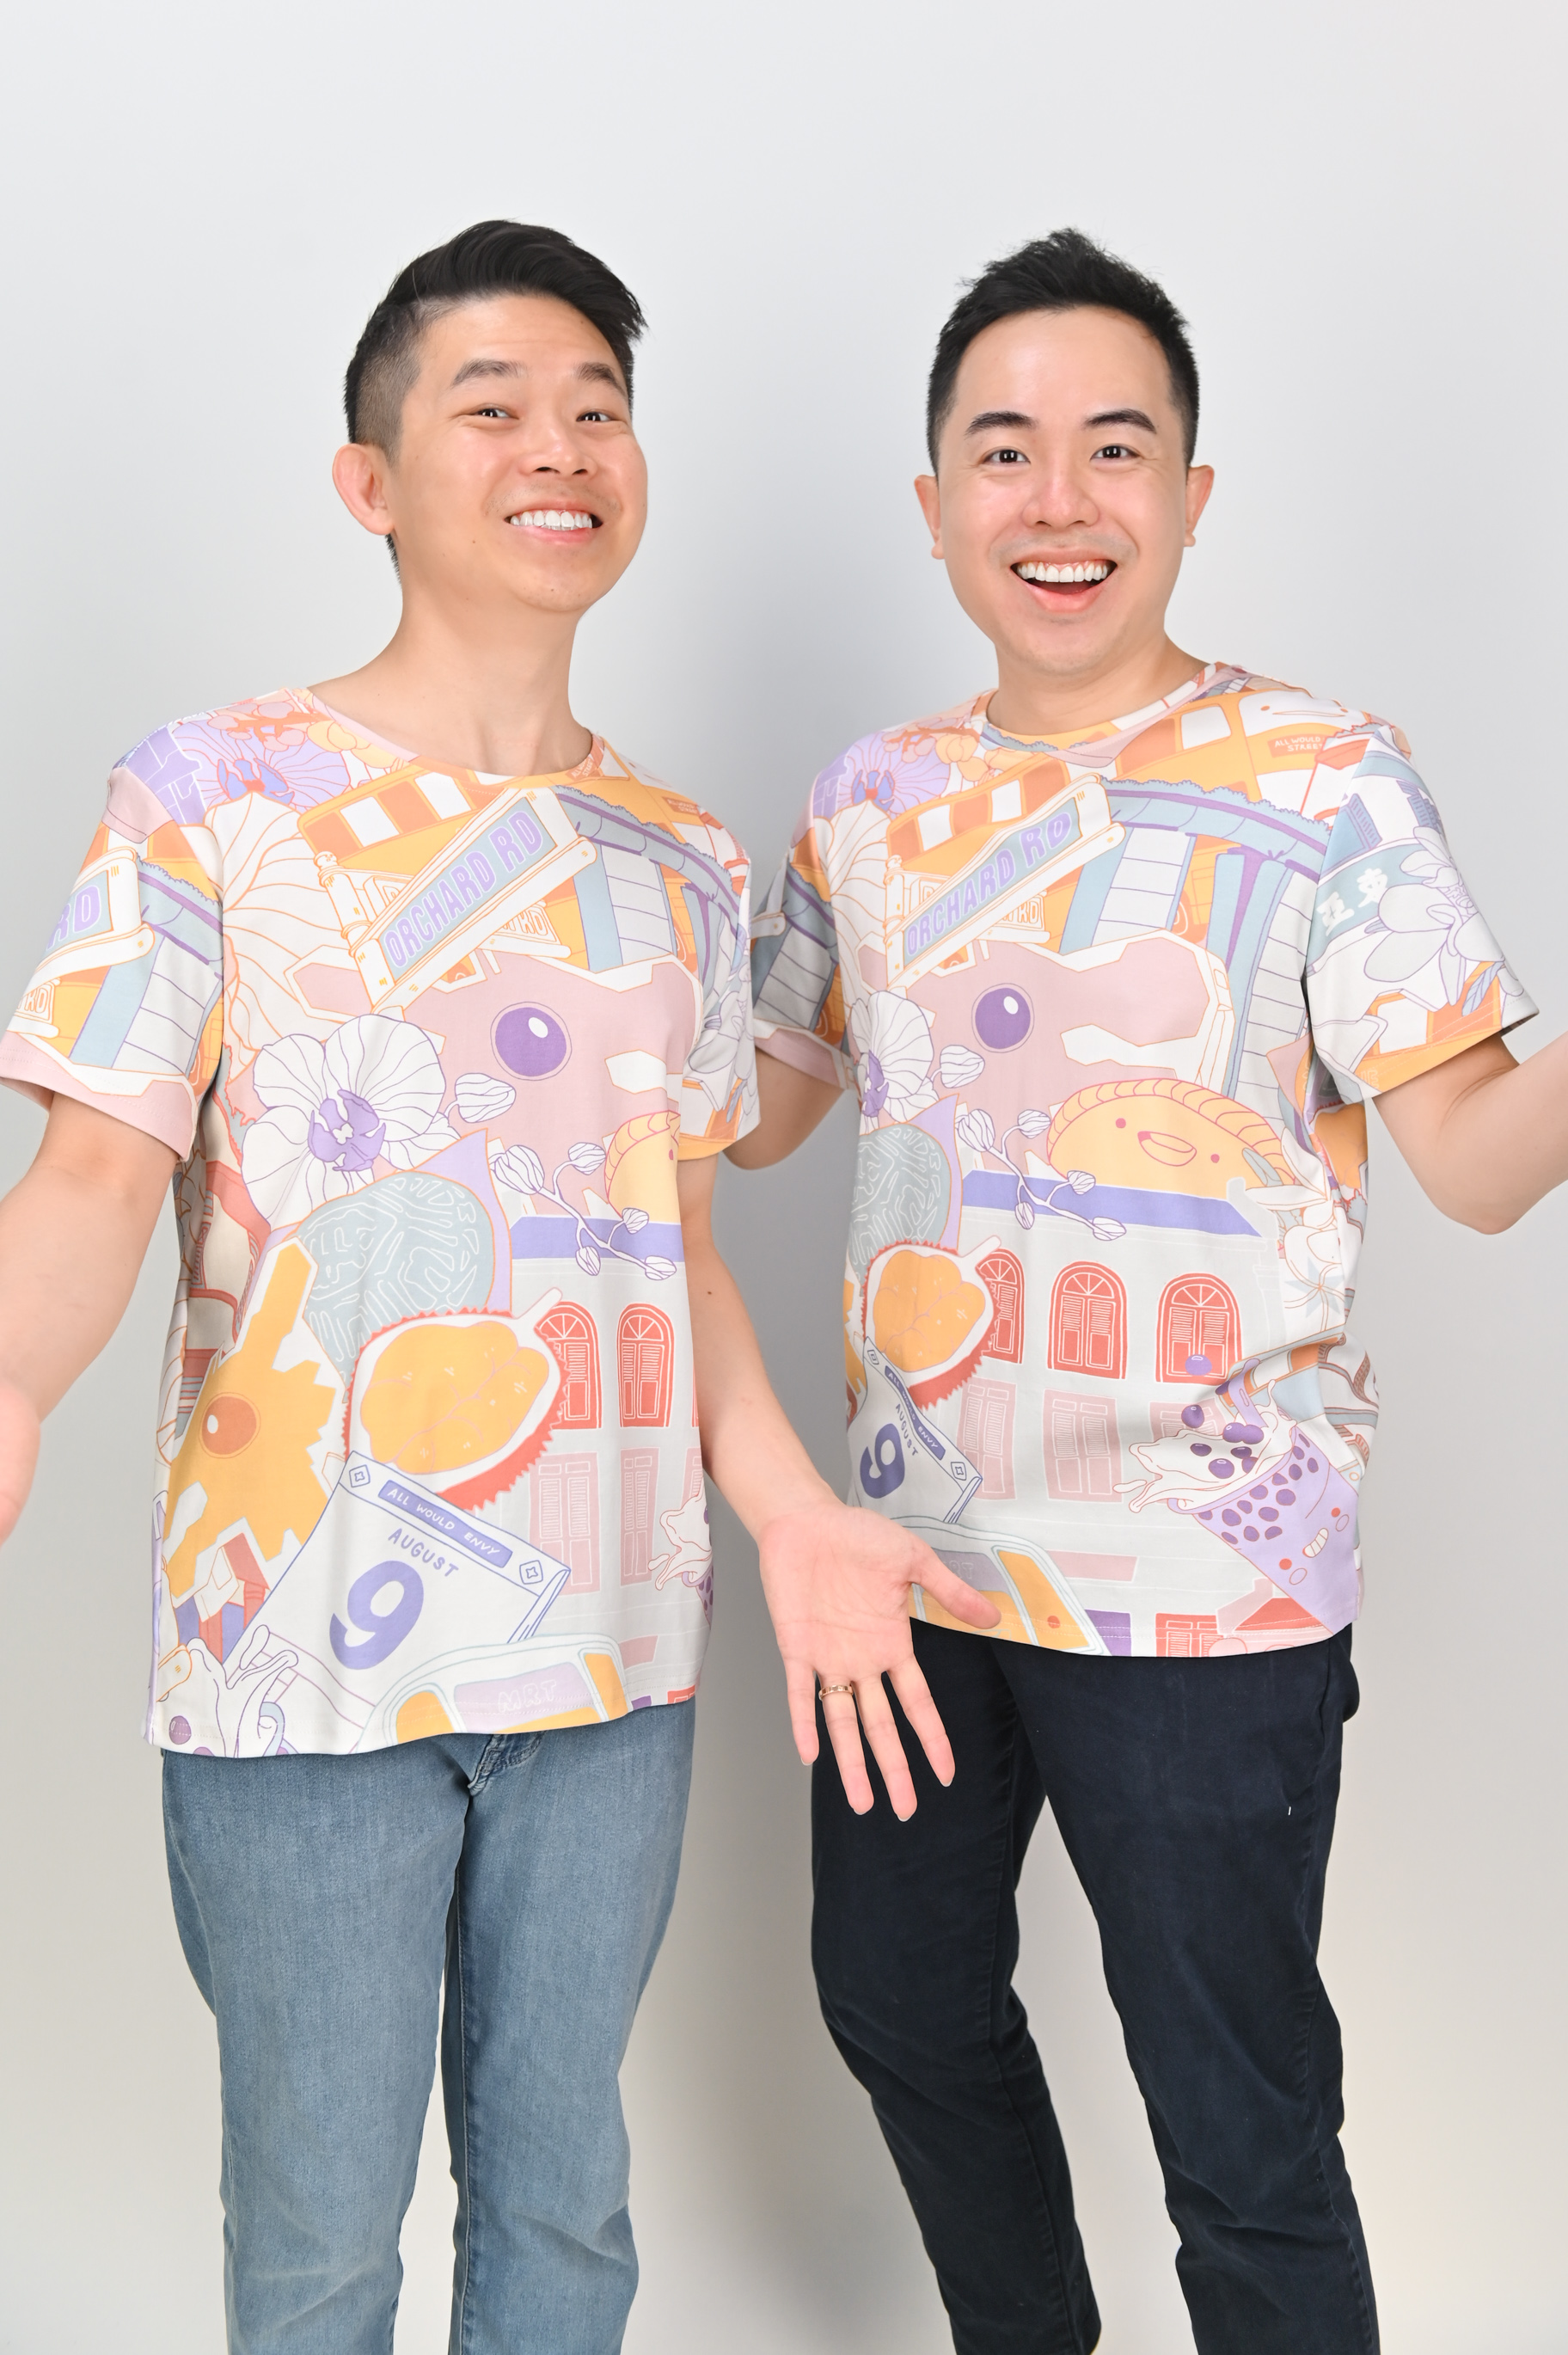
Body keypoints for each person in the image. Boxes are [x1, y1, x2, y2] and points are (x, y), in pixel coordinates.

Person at [0, 219, 988, 2355]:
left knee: (565, 2218)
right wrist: (9, 1381)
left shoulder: (681, 856)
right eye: (495, 407)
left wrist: (791, 1510)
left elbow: (676, 1248)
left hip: (612, 1660)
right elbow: (93, 1168)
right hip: (301, 1668)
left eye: (597, 409)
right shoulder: (214, 794)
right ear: (370, 479)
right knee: (320, 2241)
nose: (561, 446)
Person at [731, 227, 1568, 2354]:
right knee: (896, 1993)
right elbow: (752, 1113)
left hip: (1207, 1578)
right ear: (934, 503)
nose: (1060, 498)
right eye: (1004, 450)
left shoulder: (1326, 778)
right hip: (918, 1560)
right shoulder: (872, 803)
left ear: (1192, 493)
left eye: (1116, 447)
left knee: (1237, 2111)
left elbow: (1477, 1162)